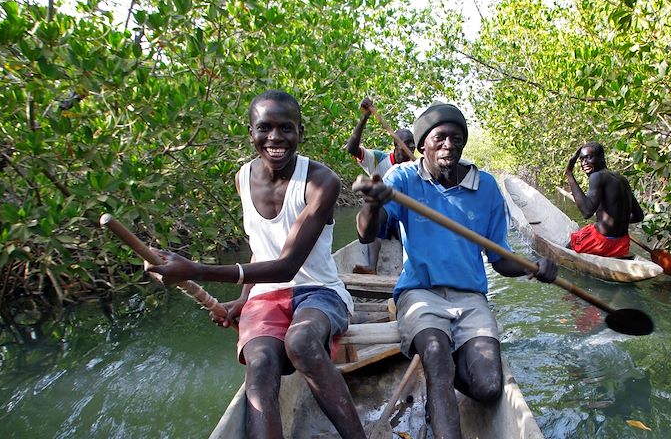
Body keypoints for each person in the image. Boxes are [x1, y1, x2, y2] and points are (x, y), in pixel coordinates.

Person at [145, 90, 366, 439]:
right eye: (265, 128)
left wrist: (196, 270)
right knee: (260, 364)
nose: (275, 138)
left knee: (302, 342)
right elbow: (258, 251)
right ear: (251, 133)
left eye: (286, 128)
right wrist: (245, 300)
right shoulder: (242, 178)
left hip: (320, 292)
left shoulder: (321, 181)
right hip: (265, 296)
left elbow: (287, 266)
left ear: (300, 133)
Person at [353, 103, 558, 439]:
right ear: (422, 146)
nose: (449, 145)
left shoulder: (486, 188)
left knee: (489, 385)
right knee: (435, 356)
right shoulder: (402, 178)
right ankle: (439, 373)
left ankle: (442, 373)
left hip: (470, 297)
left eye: (456, 139)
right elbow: (366, 233)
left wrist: (533, 268)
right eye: (440, 138)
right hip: (421, 292)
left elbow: (500, 259)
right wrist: (373, 202)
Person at [344, 97, 415, 275]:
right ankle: (372, 269)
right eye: (405, 145)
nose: (409, 150)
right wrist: (365, 117)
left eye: (412, 147)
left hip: (402, 217)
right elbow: (352, 149)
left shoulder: (414, 167)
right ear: (395, 146)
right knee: (374, 219)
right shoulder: (378, 158)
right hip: (382, 215)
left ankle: (412, 270)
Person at [564, 141, 644, 258]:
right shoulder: (622, 179)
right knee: (589, 230)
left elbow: (586, 212)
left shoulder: (597, 176)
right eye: (581, 160)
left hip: (601, 244)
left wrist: (569, 174)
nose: (584, 163)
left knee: (568, 248)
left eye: (588, 158)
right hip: (622, 244)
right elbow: (638, 216)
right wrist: (616, 221)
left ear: (601, 157)